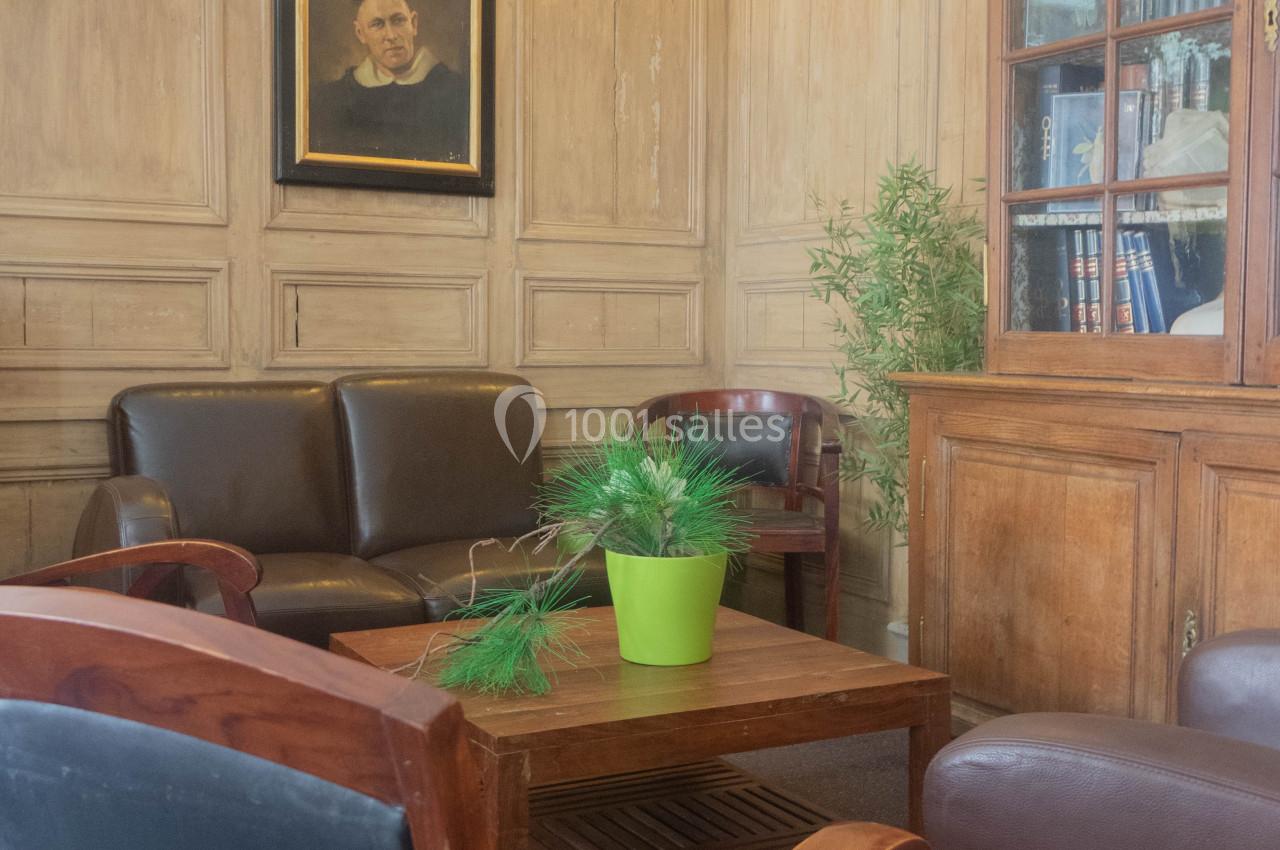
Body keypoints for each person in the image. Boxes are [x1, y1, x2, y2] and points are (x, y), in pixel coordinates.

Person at [310, 0, 469, 164]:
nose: (391, 36)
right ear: (360, 33)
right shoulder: (333, 98)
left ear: (413, 24)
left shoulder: (457, 91)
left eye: (398, 20)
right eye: (377, 24)